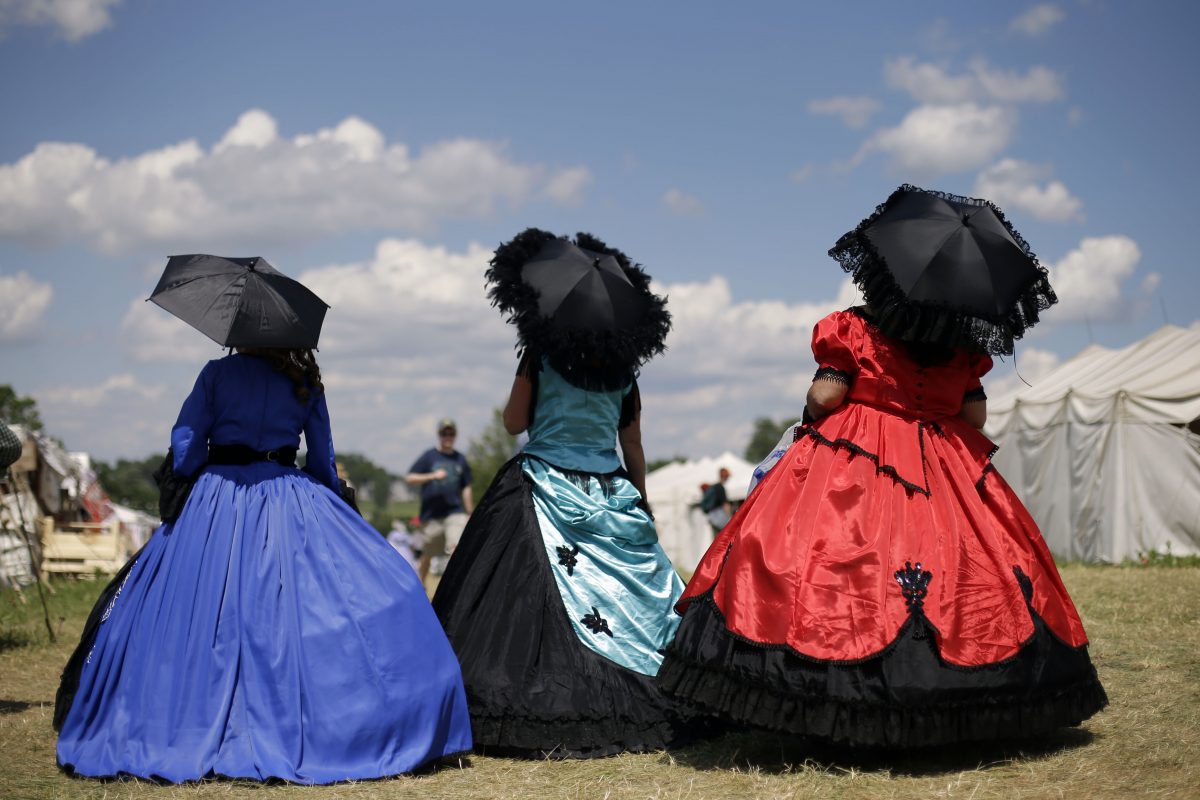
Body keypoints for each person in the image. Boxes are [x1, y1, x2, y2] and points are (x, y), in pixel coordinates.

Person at [660, 188, 1107, 747]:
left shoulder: (854, 328)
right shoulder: (962, 345)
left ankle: (826, 696)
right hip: (944, 457)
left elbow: (826, 399)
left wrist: (829, 388)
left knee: (823, 562)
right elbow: (973, 413)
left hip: (857, 451)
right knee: (971, 568)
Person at [54, 347, 472, 783]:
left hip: (216, 497)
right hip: (287, 494)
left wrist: (195, 475)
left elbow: (185, 445)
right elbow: (322, 459)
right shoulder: (304, 379)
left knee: (189, 613)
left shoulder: (217, 373)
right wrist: (332, 498)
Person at [432, 229, 686, 758]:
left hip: (543, 480)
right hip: (611, 487)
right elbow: (632, 443)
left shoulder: (539, 355)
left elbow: (512, 422)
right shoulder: (623, 373)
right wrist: (638, 502)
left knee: (515, 601)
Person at [405, 419, 473, 586]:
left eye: (451, 433)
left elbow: (466, 488)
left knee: (454, 548)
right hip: (431, 516)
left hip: (454, 513)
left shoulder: (460, 459)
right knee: (427, 555)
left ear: (455, 435)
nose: (448, 437)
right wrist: (432, 476)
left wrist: (470, 513)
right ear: (439, 435)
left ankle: (453, 589)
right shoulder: (429, 457)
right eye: (445, 433)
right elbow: (409, 478)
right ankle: (421, 587)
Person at [697, 467, 732, 534]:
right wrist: (731, 517)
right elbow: (725, 504)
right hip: (719, 519)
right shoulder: (720, 488)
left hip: (712, 518)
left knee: (716, 539)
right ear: (725, 477)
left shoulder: (714, 487)